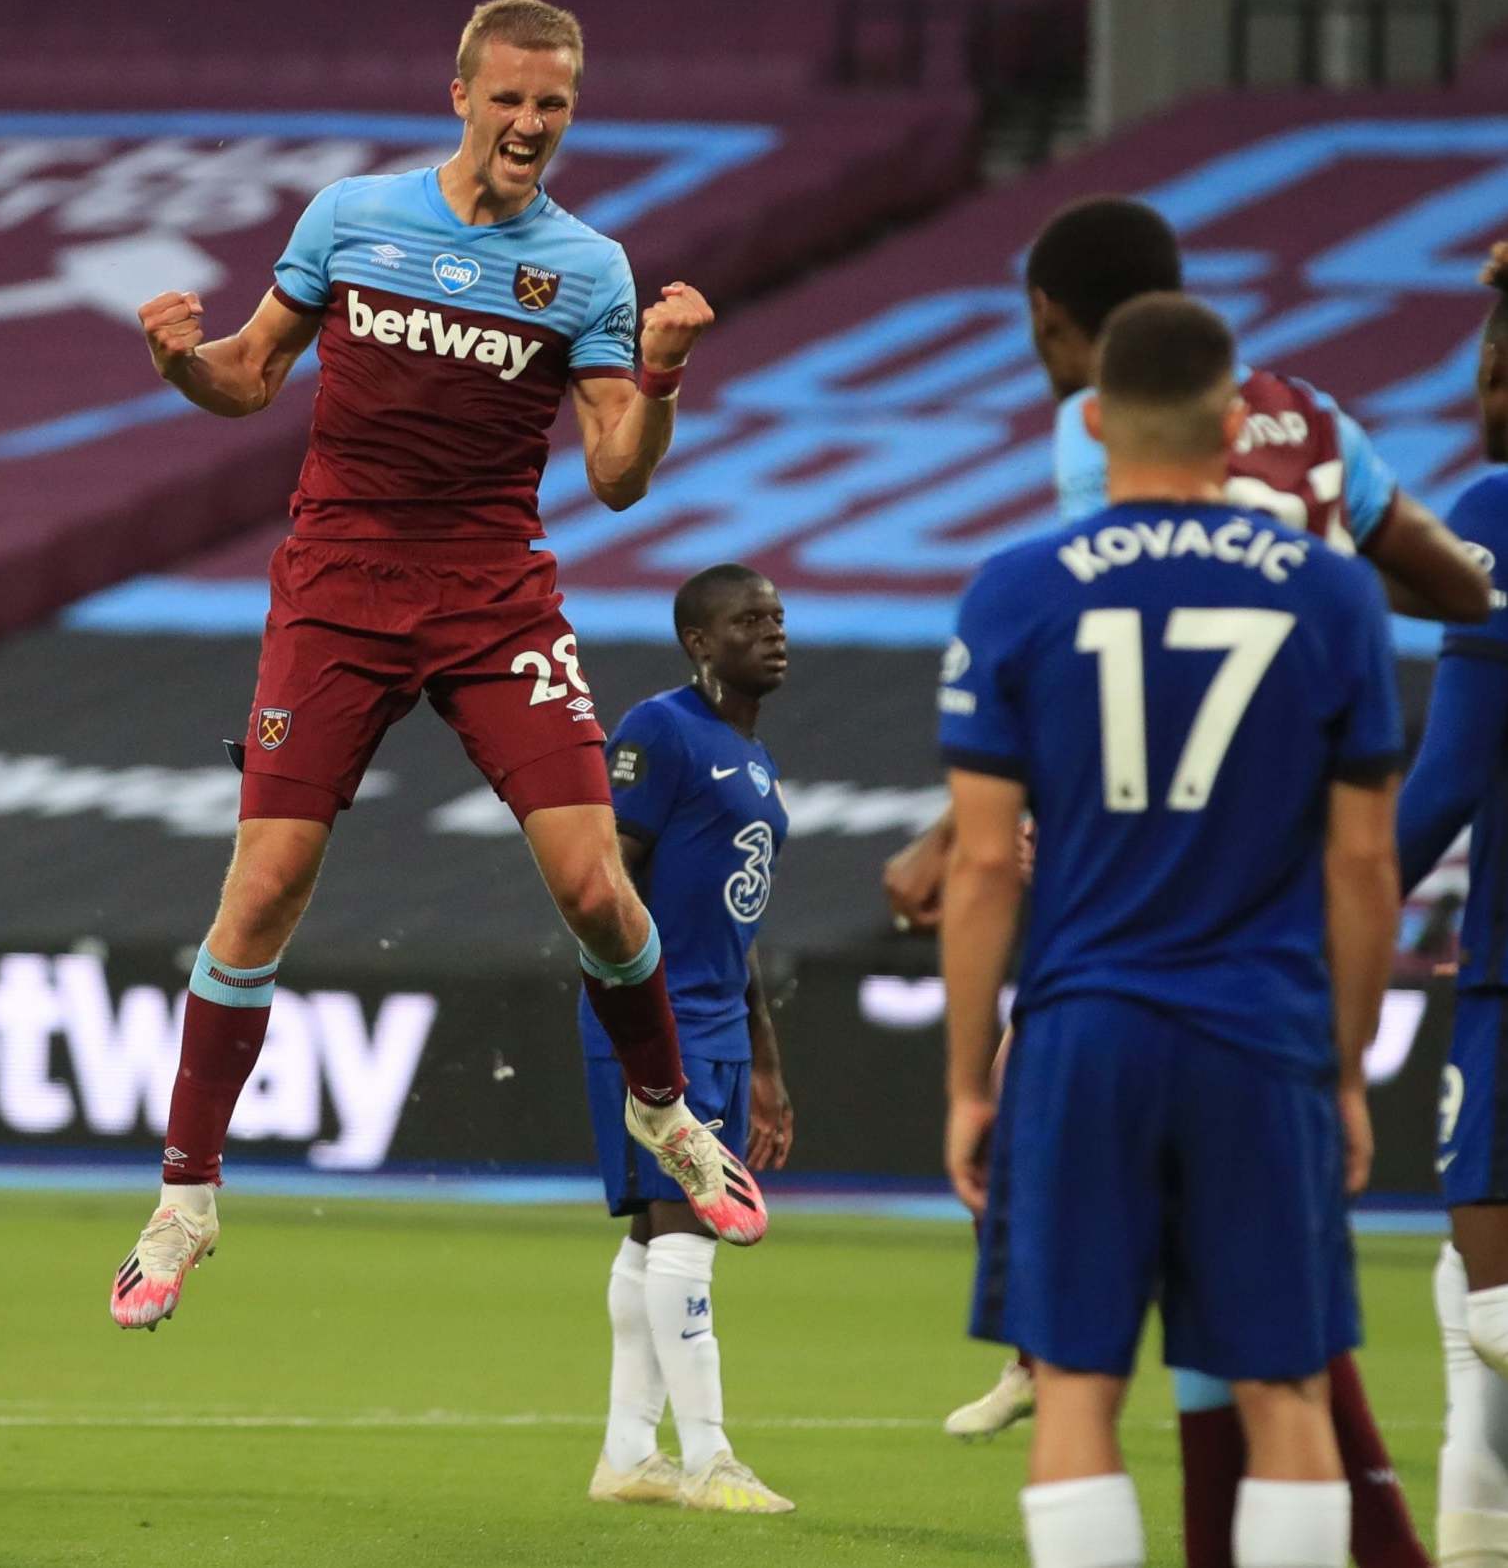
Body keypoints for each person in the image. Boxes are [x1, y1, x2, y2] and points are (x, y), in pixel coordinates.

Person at [109, 0, 763, 1331]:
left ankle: (664, 1111)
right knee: (267, 881)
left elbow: (618, 479)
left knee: (593, 885)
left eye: (556, 105)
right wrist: (181, 362)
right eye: (511, 99)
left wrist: (664, 375)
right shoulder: (351, 218)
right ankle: (184, 1196)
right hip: (340, 589)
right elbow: (248, 377)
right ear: (460, 94)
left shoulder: (586, 266)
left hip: (493, 598)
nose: (531, 125)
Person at [916, 197, 1452, 1568]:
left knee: (1081, 1384)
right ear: (1233, 430)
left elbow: (982, 862)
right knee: (1281, 1388)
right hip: (1259, 1029)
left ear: (1092, 425)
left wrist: (974, 1077)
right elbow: (1362, 863)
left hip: (1085, 1028)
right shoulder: (1331, 600)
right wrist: (1340, 1068)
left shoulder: (1014, 592)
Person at [583, 563, 797, 1515]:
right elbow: (603, 882)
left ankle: (629, 1455)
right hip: (655, 1018)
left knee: (651, 1237)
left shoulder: (753, 758)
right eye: (749, 620)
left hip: (717, 1020)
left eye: (778, 619)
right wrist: (635, 1012)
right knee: (687, 1232)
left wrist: (767, 1067)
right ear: (699, 643)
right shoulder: (659, 730)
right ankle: (709, 1459)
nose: (773, 633)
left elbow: (735, 928)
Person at [1394, 243, 1508, 1568]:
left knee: (1489, 1298)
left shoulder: (1493, 504)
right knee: (1459, 1288)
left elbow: (1446, 783)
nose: (1480, 385)